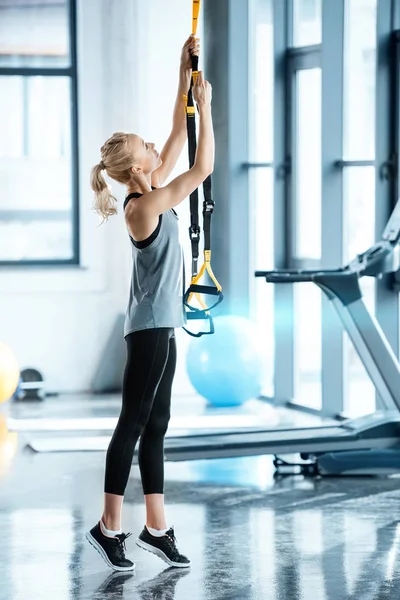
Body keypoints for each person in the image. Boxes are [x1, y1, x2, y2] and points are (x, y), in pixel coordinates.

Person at [85, 35, 214, 572]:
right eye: (149, 150)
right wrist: (205, 111)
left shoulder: (149, 186)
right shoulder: (145, 204)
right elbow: (201, 165)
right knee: (132, 424)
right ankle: (107, 526)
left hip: (163, 326)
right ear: (139, 169)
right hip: (149, 331)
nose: (158, 150)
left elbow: (175, 137)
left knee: (155, 425)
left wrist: (183, 74)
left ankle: (155, 527)